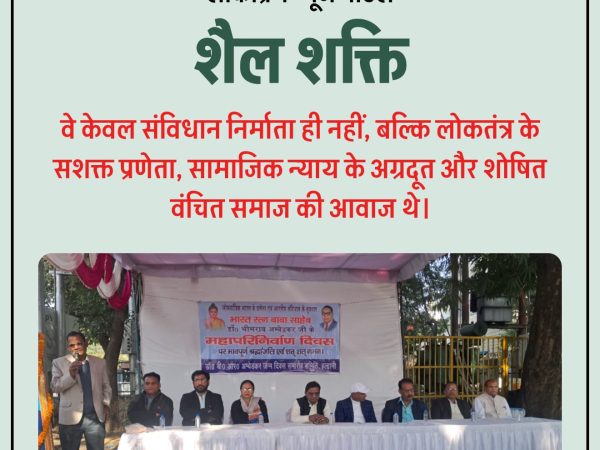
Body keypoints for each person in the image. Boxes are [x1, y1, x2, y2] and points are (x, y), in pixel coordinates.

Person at [51, 331, 112, 450]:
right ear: (68, 347)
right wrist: (70, 375)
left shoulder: (100, 363)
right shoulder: (58, 363)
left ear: (86, 343)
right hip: (70, 417)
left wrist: (106, 404)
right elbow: (55, 387)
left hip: (95, 417)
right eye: (72, 345)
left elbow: (106, 386)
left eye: (79, 343)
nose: (76, 347)